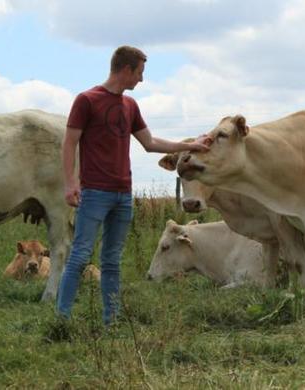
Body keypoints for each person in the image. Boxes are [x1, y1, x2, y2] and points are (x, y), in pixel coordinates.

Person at [56, 45, 208, 325]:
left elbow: (150, 143)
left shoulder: (130, 106)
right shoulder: (87, 100)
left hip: (123, 195)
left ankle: (111, 321)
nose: (141, 79)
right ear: (126, 69)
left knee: (112, 261)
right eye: (140, 72)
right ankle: (61, 320)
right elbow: (70, 143)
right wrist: (70, 183)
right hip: (95, 193)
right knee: (79, 256)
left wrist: (190, 145)